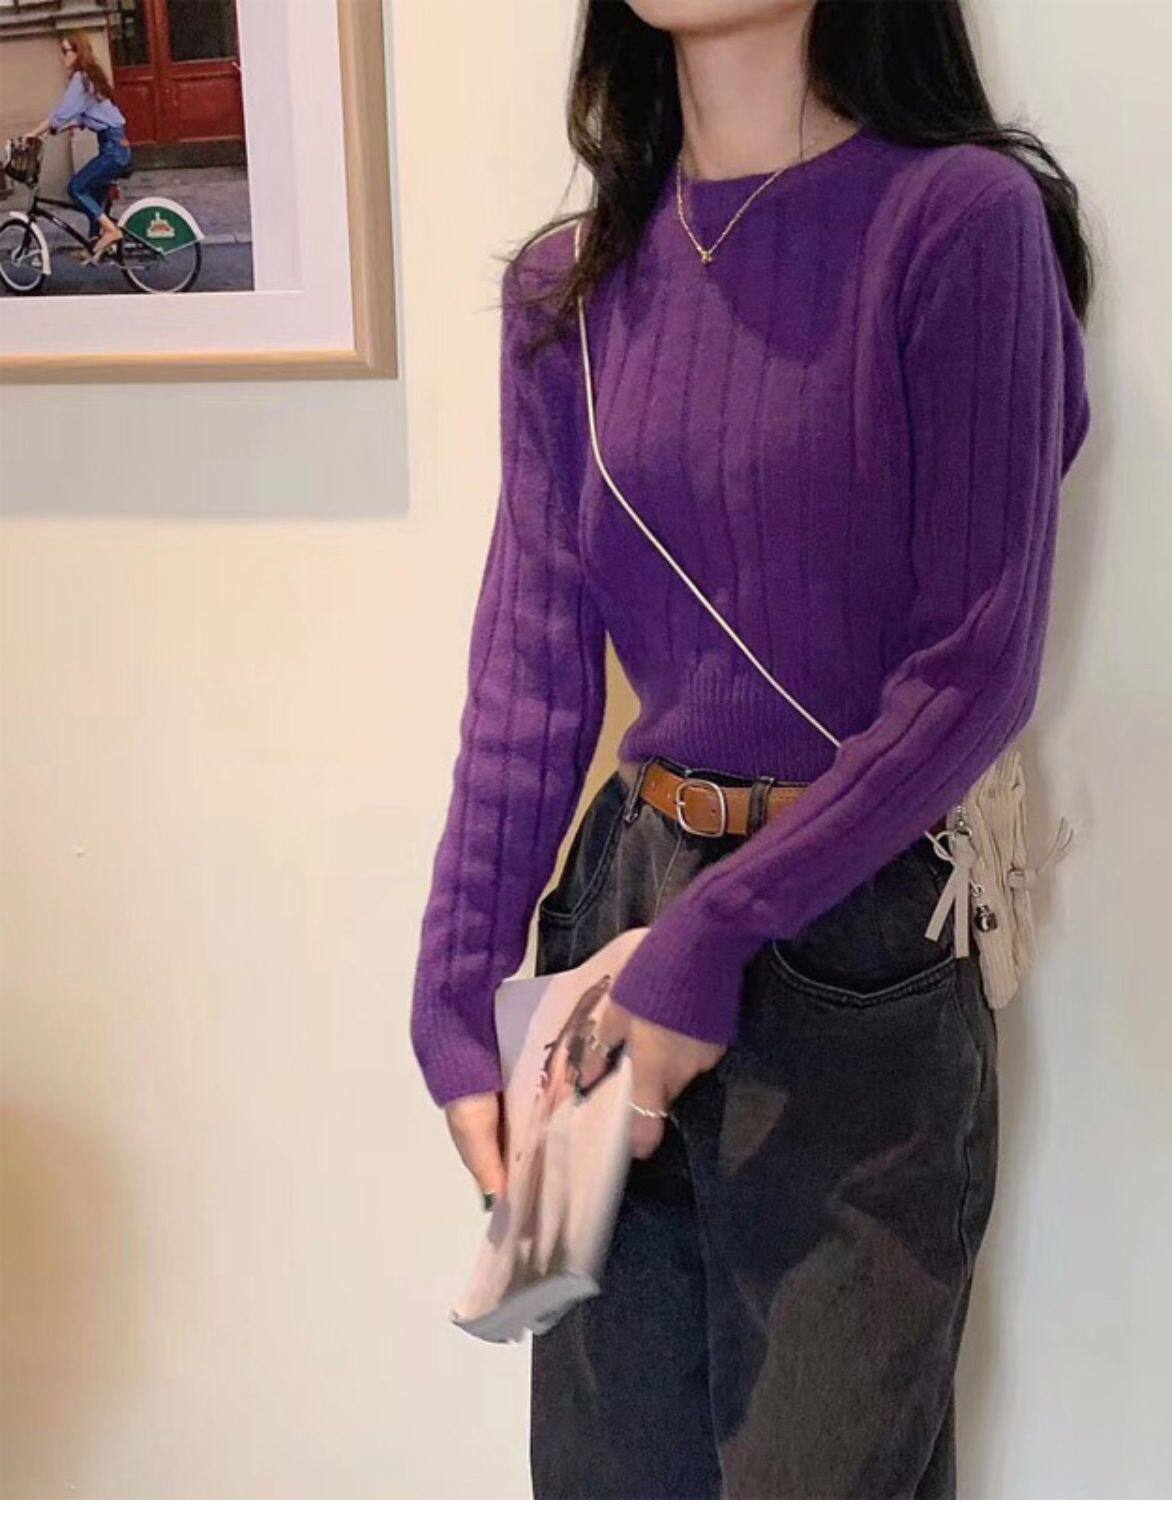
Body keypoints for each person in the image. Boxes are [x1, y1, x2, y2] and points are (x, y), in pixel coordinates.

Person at [410, 0, 1094, 1499]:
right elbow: (529, 673)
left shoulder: (960, 224)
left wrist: (709, 940)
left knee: (824, 1483)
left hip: (856, 935)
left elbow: (973, 671)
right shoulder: (568, 287)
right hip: (616, 931)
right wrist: (452, 989)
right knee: (605, 1481)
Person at [27, 30, 132, 264]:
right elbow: (86, 115)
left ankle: (111, 232)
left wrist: (32, 133)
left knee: (76, 188)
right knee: (93, 193)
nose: (63, 56)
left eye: (66, 51)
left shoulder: (81, 79)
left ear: (78, 53)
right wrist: (61, 128)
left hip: (113, 149)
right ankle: (95, 245)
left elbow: (61, 113)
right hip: (115, 145)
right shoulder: (90, 78)